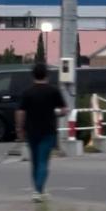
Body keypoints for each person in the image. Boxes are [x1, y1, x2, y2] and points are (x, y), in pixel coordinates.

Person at [14, 64, 67, 202]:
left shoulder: (27, 92)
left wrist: (19, 129)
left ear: (33, 76)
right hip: (48, 131)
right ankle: (38, 191)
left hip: (31, 131)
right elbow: (64, 109)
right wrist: (57, 113)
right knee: (43, 161)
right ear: (47, 75)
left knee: (35, 162)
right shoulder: (53, 91)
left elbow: (20, 112)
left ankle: (39, 190)